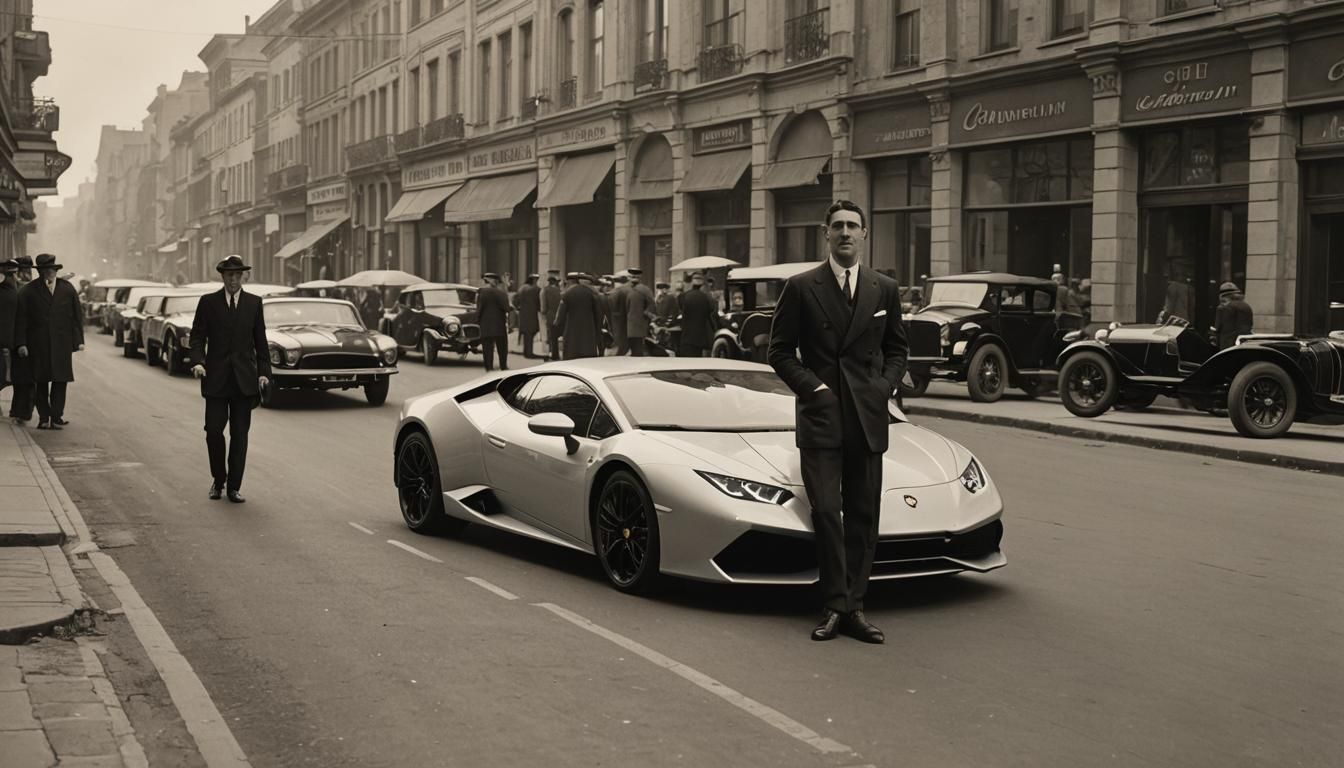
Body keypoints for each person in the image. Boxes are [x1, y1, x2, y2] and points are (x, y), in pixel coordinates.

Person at [768, 200, 909, 644]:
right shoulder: (801, 286)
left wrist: (883, 388)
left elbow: (898, 349)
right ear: (825, 233)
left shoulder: (883, 288)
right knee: (828, 512)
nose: (846, 233)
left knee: (864, 515)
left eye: (853, 226)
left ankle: (855, 607)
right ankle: (833, 605)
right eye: (838, 226)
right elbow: (778, 351)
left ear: (865, 234)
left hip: (867, 417)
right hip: (822, 416)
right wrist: (814, 388)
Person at [189, 255, 271, 503]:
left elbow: (261, 342)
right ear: (222, 277)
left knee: (240, 435)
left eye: (237, 275)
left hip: (244, 382)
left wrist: (265, 373)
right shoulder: (208, 302)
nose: (233, 280)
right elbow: (197, 336)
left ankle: (234, 486)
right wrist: (197, 361)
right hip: (215, 379)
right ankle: (218, 480)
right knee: (213, 431)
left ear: (243, 276)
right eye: (229, 275)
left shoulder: (254, 304)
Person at [14, 254, 84, 431]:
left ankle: (56, 417)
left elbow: (77, 316)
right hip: (38, 344)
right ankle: (44, 418)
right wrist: (21, 343)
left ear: (56, 270)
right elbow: (21, 319)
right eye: (46, 270)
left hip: (62, 343)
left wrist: (78, 341)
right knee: (41, 381)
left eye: (52, 269)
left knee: (61, 380)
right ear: (40, 272)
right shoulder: (28, 291)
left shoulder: (67, 289)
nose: (50, 272)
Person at [555, 272, 604, 359]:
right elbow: (598, 315)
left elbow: (560, 316)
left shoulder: (567, 294)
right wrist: (597, 331)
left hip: (571, 334)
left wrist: (558, 330)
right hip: (589, 334)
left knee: (571, 361)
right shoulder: (592, 293)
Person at [677, 272, 717, 357]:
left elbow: (681, 309)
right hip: (700, 337)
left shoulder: (684, 296)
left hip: (686, 336)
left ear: (692, 282)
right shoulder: (706, 297)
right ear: (702, 284)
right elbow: (711, 311)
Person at [477, 272, 511, 371]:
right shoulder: (501, 293)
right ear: (495, 282)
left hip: (486, 325)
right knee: (502, 347)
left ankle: (489, 367)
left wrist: (478, 321)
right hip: (499, 324)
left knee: (487, 348)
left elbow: (479, 309)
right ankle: (503, 366)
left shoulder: (482, 293)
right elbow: (507, 308)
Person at [625, 268, 656, 357]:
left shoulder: (629, 289)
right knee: (636, 351)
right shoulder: (645, 290)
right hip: (637, 326)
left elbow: (651, 305)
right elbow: (652, 306)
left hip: (634, 326)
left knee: (635, 351)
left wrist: (646, 314)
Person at [1214, 281, 1254, 349]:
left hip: (1228, 344)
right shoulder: (1246, 306)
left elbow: (1218, 327)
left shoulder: (1223, 308)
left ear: (1222, 296)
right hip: (1245, 342)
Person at [1, 260, 18, 407]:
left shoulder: (11, 292)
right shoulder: (13, 293)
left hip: (5, 340)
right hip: (7, 342)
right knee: (5, 375)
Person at [513, 273, 542, 359]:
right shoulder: (536, 289)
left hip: (523, 315)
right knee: (531, 332)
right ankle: (529, 352)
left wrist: (518, 308)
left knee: (526, 333)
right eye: (536, 280)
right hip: (532, 314)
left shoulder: (521, 288)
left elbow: (515, 300)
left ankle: (526, 351)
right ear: (533, 280)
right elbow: (539, 302)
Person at [541, 270, 563, 361]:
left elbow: (543, 306)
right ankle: (558, 354)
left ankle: (553, 354)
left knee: (551, 337)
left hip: (550, 316)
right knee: (558, 336)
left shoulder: (545, 290)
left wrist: (543, 313)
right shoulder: (560, 291)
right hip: (560, 316)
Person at [608, 274, 631, 355]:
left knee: (620, 341)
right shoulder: (629, 290)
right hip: (626, 320)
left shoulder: (617, 291)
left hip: (618, 320)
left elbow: (611, 305)